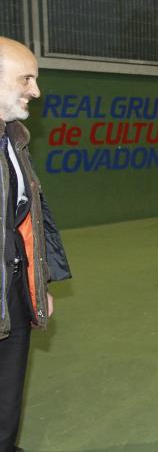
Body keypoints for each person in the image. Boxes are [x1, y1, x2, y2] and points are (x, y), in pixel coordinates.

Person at [0, 37, 72, 452]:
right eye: (26, 79)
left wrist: (38, 282)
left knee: (9, 385)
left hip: (13, 286)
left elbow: (28, 218)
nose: (35, 91)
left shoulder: (14, 138)